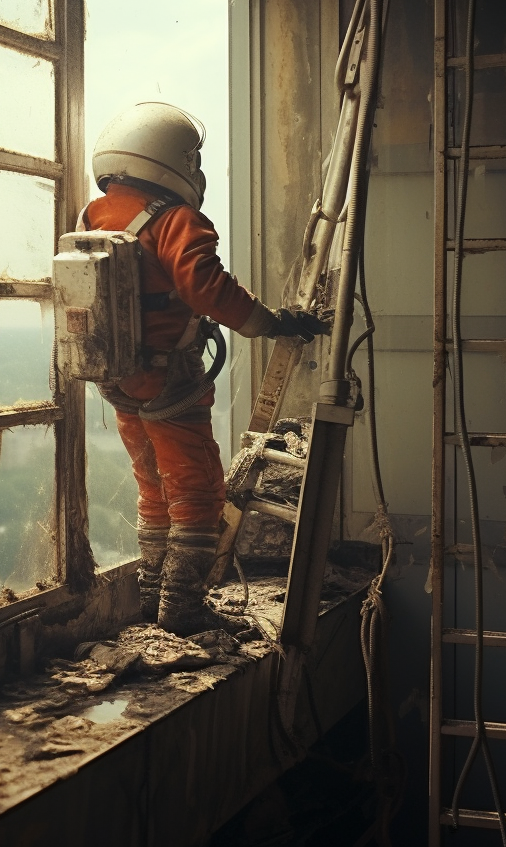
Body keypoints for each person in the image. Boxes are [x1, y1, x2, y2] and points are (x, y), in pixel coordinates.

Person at [81, 102, 328, 636]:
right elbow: (206, 288)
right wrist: (273, 322)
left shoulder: (94, 216)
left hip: (118, 378)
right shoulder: (176, 220)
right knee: (197, 488)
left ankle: (151, 596)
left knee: (153, 484)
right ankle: (182, 607)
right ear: (176, 159)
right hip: (172, 380)